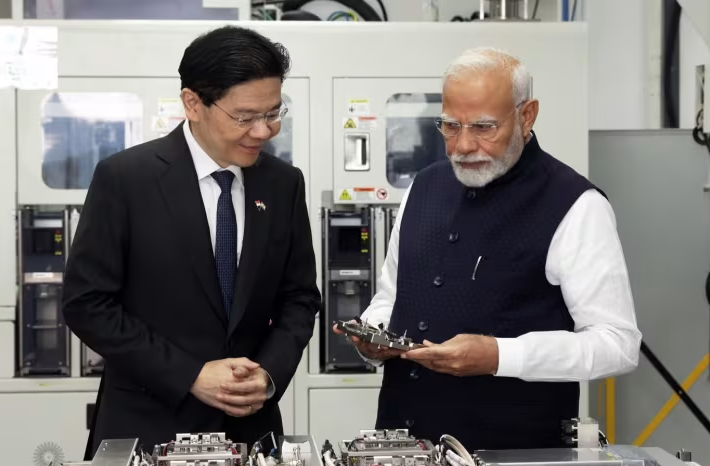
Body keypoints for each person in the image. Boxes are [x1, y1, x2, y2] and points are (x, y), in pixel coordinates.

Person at [336, 47, 641, 451]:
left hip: (512, 451)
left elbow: (617, 344)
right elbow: (392, 295)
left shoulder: (576, 205)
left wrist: (501, 356)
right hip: (402, 445)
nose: (462, 145)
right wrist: (375, 337)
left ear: (527, 115)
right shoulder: (421, 188)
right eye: (449, 125)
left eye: (483, 127)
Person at [62, 26, 321, 458]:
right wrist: (189, 375)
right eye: (245, 117)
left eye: (274, 113)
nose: (263, 131)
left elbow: (299, 298)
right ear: (193, 103)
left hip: (249, 429)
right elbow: (87, 304)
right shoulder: (127, 179)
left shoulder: (282, 184)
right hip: (149, 424)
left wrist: (269, 376)